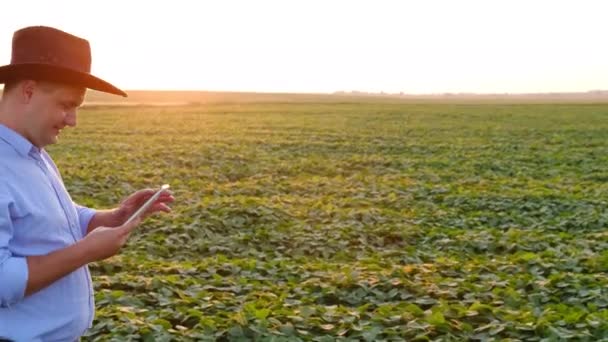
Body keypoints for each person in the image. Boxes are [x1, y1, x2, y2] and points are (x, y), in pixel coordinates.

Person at [0, 26, 174, 341]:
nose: (72, 121)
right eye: (67, 104)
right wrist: (85, 252)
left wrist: (111, 217)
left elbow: (51, 219)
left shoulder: (30, 153)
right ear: (28, 91)